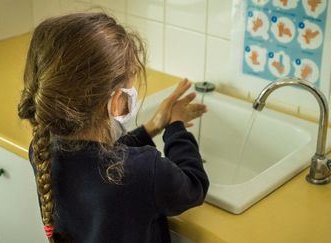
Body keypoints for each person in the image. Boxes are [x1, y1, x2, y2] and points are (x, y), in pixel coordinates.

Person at [18, 12, 209, 243]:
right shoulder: (146, 171)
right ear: (117, 100)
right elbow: (194, 185)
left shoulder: (42, 150)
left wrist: (152, 127)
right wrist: (175, 127)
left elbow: (97, 157)